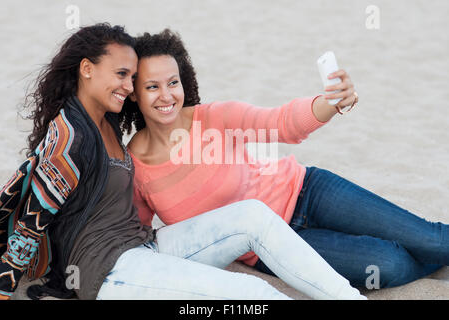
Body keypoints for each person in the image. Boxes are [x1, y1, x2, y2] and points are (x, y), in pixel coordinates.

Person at [0, 23, 365, 300]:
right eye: (121, 74)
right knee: (253, 294)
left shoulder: (106, 123)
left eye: (132, 77)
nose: (128, 86)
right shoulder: (67, 138)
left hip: (146, 246)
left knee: (252, 215)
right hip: (109, 271)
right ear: (87, 69)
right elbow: (29, 221)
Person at [121, 29, 448, 291]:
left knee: (430, 238)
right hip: (272, 246)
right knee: (389, 263)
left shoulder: (213, 117)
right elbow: (142, 235)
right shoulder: (135, 167)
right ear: (133, 92)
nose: (167, 96)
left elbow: (280, 122)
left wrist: (330, 103)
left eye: (173, 82)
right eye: (152, 86)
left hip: (310, 192)